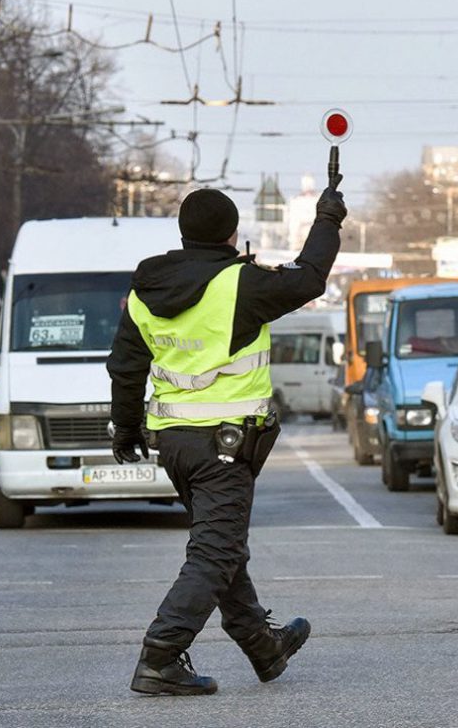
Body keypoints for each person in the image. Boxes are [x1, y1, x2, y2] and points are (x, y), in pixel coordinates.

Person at [107, 181, 346, 696]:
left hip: (173, 441)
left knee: (222, 545)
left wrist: (125, 429)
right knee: (214, 554)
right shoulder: (240, 283)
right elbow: (309, 278)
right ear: (233, 235)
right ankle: (160, 655)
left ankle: (264, 645)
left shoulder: (145, 289)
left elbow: (126, 366)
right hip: (226, 445)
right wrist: (327, 220)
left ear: (183, 232)